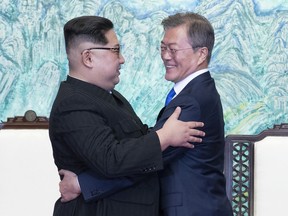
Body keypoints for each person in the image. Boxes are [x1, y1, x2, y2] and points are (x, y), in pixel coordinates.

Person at [58, 12, 233, 215]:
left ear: (201, 54)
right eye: (163, 48)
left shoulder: (192, 101)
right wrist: (161, 137)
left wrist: (82, 185)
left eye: (173, 49)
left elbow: (148, 159)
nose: (166, 56)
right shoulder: (195, 93)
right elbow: (145, 150)